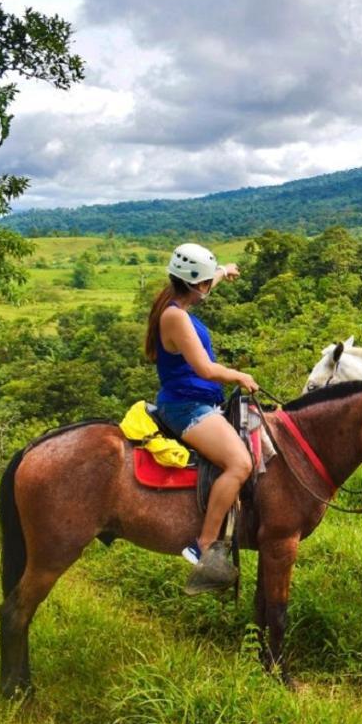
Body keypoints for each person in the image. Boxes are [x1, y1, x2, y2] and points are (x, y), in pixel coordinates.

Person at [145, 242, 258, 595]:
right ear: (197, 284)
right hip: (187, 407)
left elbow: (205, 284)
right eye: (208, 281)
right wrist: (238, 376)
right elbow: (206, 369)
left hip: (198, 402)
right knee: (240, 464)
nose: (210, 285)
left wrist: (223, 271)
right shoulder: (175, 317)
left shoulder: (174, 301)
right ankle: (204, 545)